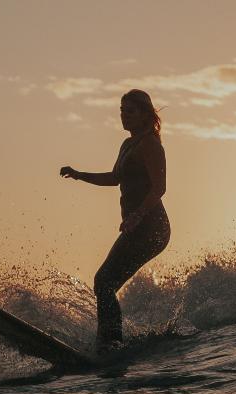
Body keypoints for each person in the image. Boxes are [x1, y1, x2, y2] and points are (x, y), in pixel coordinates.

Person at [60, 89, 170, 354]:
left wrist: (137, 216)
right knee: (105, 282)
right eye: (121, 110)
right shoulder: (127, 144)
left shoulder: (151, 145)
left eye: (129, 111)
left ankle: (110, 343)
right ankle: (111, 340)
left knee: (104, 281)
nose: (123, 116)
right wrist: (79, 174)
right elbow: (114, 178)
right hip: (136, 227)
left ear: (145, 114)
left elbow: (159, 188)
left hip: (152, 228)